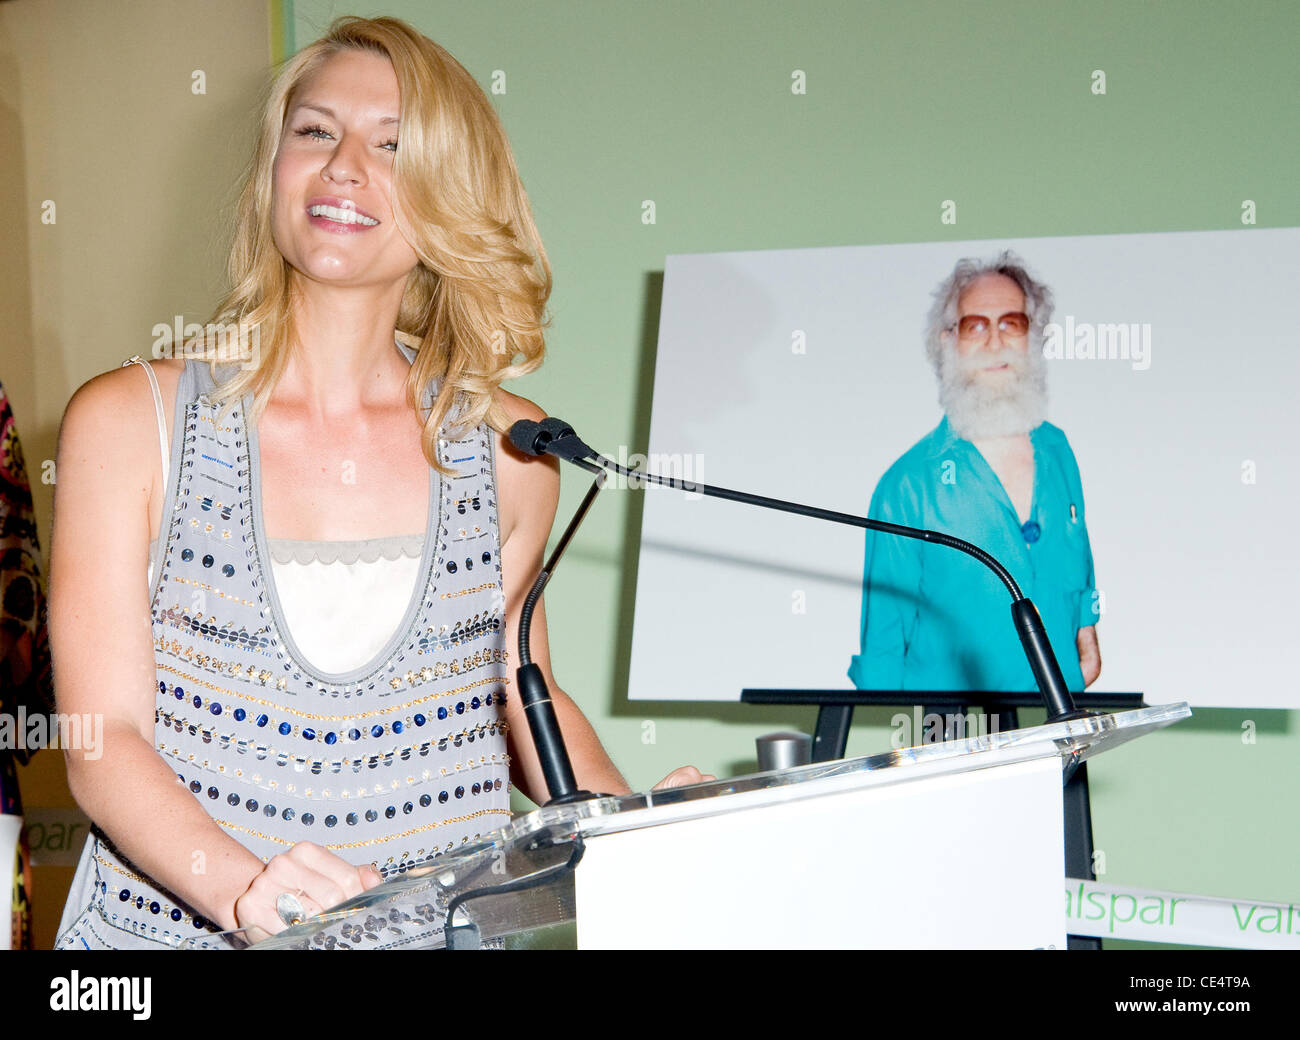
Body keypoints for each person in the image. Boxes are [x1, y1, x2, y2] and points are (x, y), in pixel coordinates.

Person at [49, 15, 710, 950]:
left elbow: (525, 694)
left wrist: (641, 827)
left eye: (394, 147)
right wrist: (249, 892)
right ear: (273, 168)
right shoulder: (129, 423)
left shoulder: (512, 449)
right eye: (315, 131)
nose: (345, 166)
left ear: (449, 197)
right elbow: (99, 732)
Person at [848, 250, 1101, 695]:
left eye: (1012, 323)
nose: (994, 342)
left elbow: (1077, 558)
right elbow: (883, 643)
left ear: (1033, 336)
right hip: (948, 734)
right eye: (975, 326)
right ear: (948, 341)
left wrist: (1087, 634)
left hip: (1055, 721)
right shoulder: (908, 485)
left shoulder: (1058, 448)